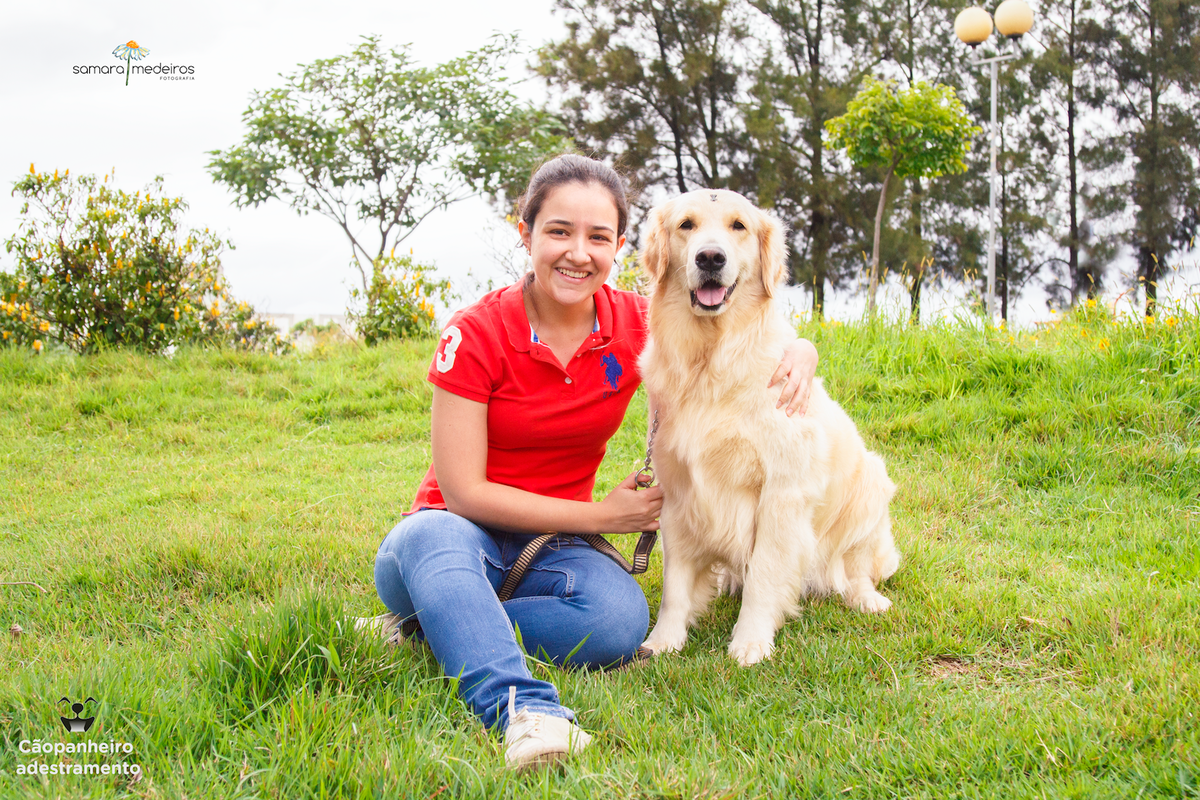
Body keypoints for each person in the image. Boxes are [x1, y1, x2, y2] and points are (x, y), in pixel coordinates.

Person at [364, 154, 819, 770]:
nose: (578, 252)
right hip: (447, 535)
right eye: (558, 231)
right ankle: (525, 712)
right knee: (435, 537)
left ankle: (431, 625)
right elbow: (464, 492)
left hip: (551, 548)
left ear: (620, 248)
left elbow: (718, 332)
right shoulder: (473, 334)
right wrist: (602, 516)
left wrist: (802, 348)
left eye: (597, 237)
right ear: (524, 234)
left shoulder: (633, 321)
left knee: (618, 621)